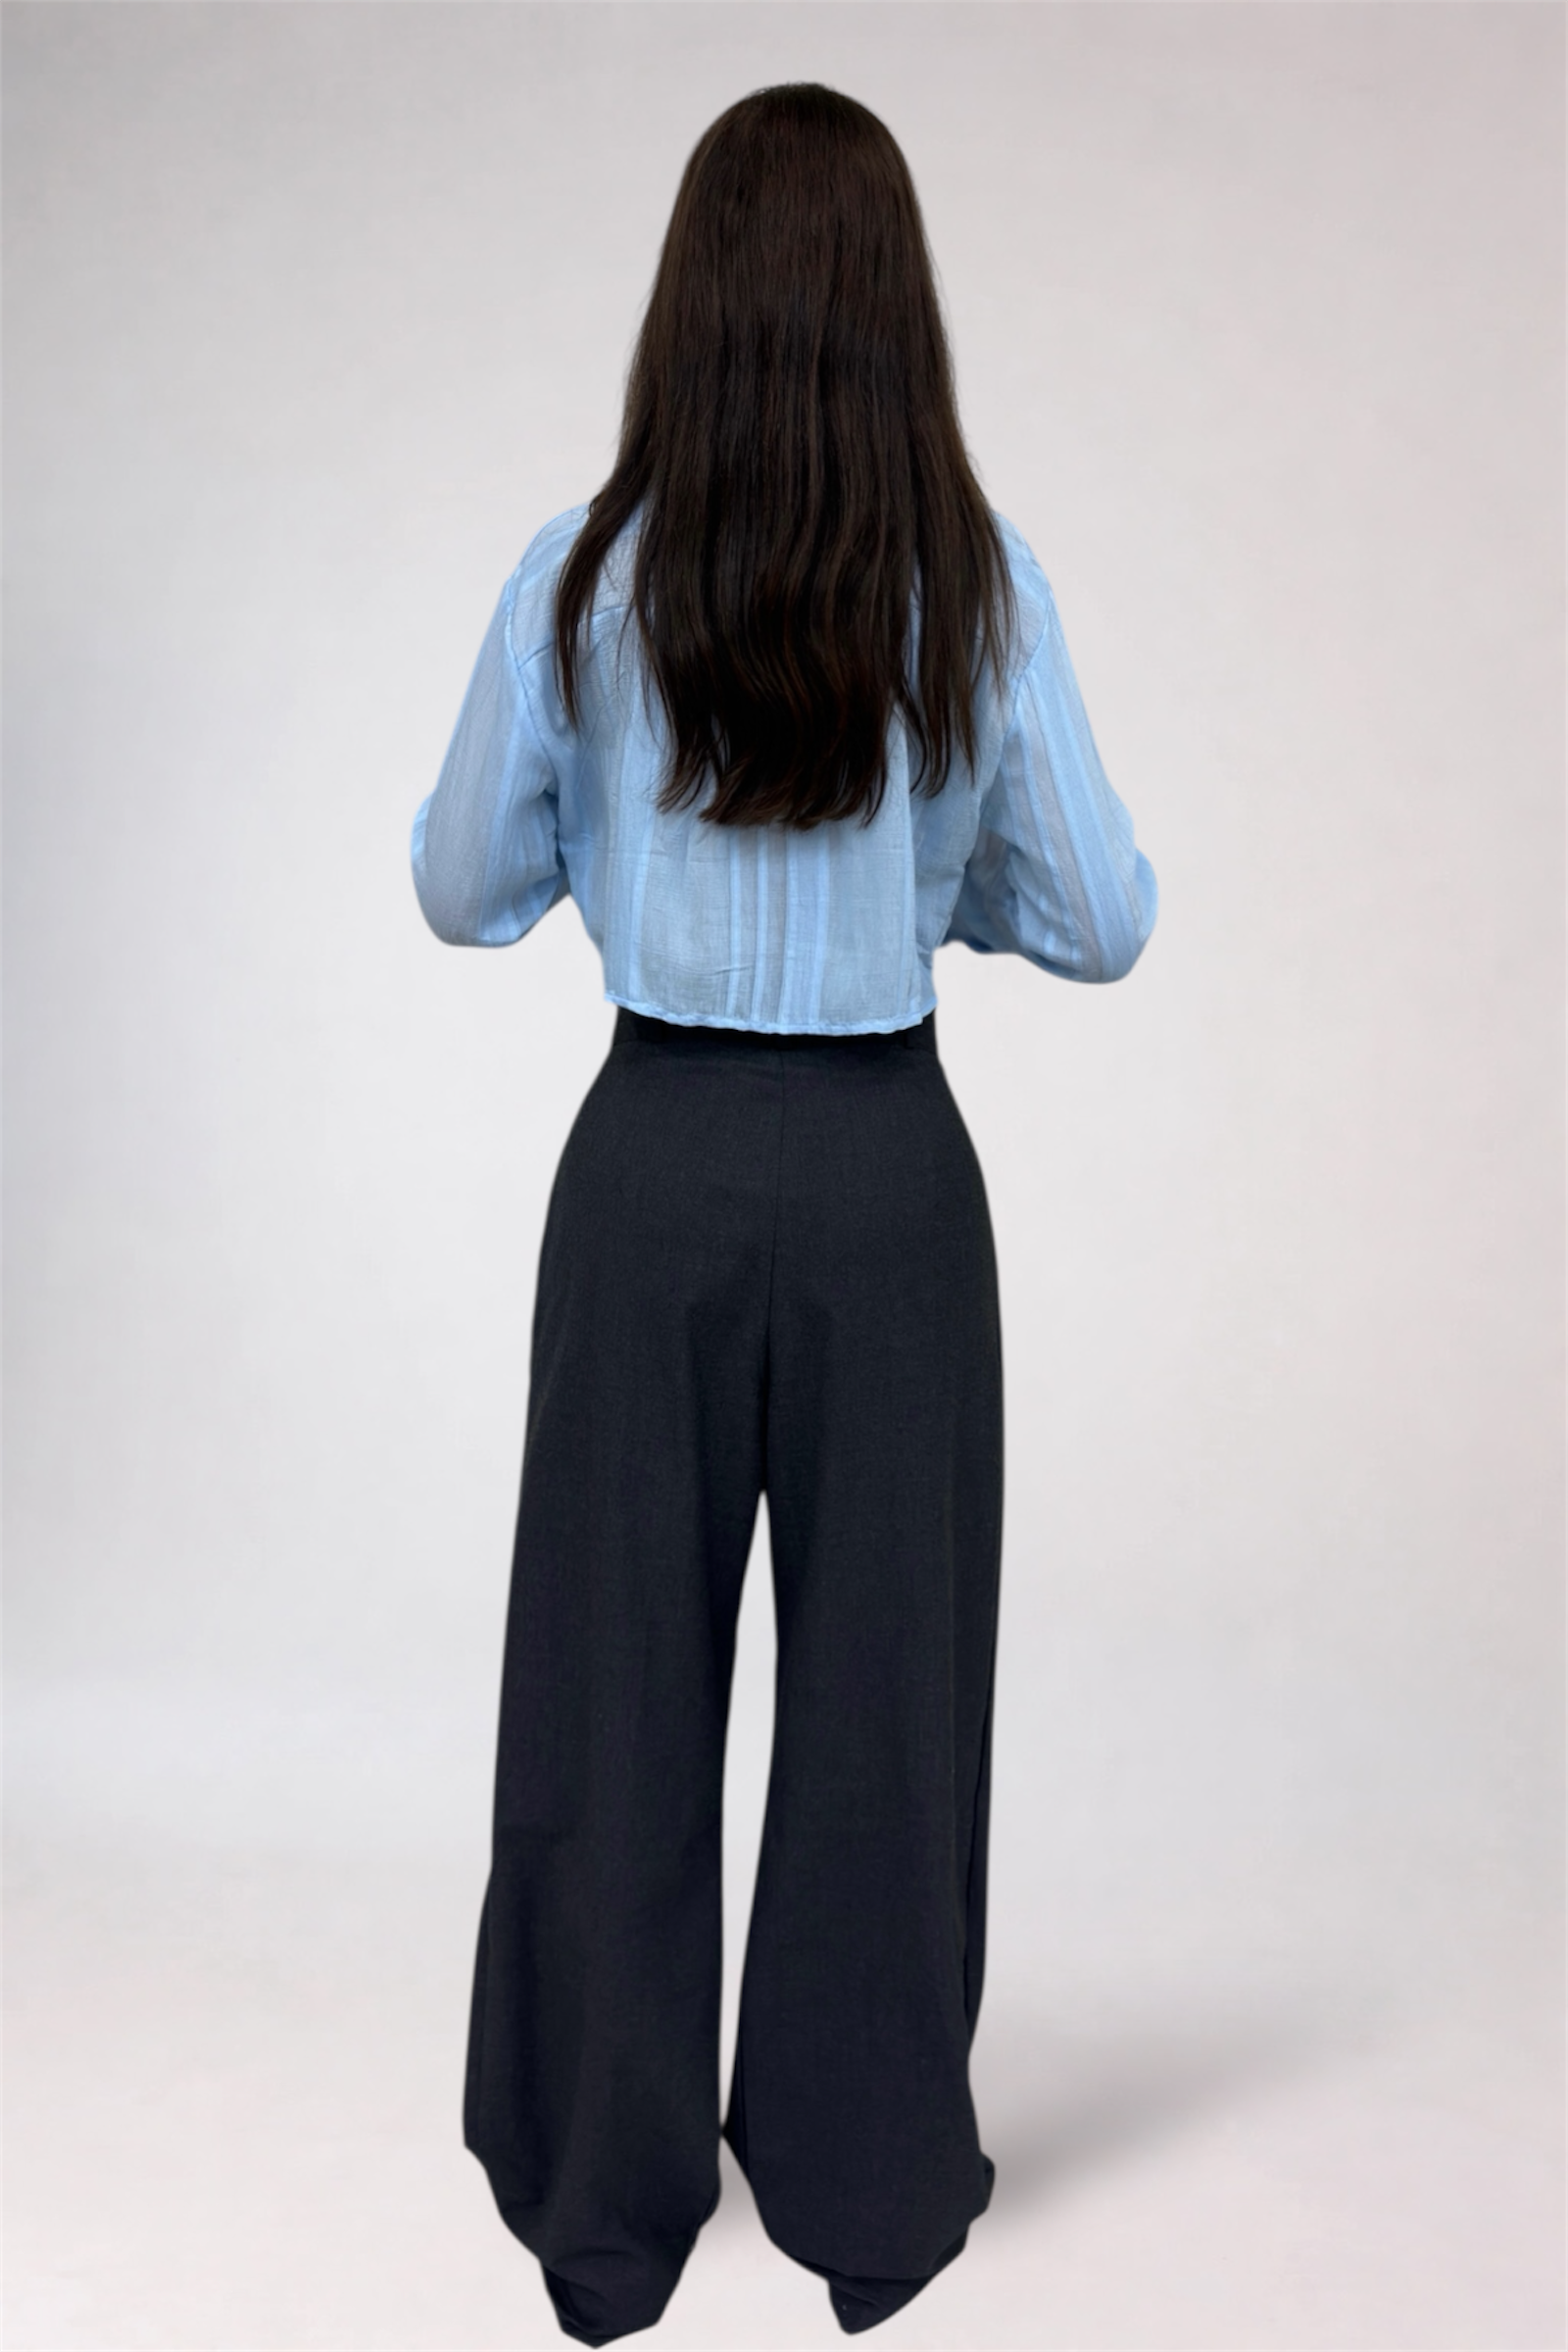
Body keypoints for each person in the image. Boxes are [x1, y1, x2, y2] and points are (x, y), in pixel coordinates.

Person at [411, 81, 1156, 2349]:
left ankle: (601, 2212)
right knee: (883, 1699)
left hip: (640, 1173)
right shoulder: (972, 580)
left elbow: (461, 887)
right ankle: (863, 2194)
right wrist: (941, 899)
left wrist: (619, 864)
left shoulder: (579, 570)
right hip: (884, 1185)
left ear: (693, 306)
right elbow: (1101, 919)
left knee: (607, 1679)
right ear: (890, 312)